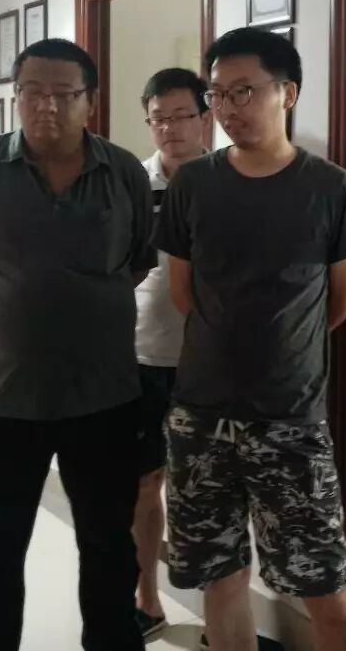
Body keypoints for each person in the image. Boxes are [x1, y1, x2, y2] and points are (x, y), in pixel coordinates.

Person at [0, 38, 155, 651]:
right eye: (32, 92)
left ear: (91, 101)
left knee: (107, 544)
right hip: (7, 399)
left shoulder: (125, 173)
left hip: (105, 396)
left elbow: (136, 263)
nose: (46, 106)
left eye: (63, 94)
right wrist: (7, 324)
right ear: (16, 96)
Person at [157, 27, 346, 651]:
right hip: (200, 415)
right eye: (218, 94)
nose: (227, 108)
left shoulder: (329, 186)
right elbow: (184, 293)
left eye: (244, 91)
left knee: (325, 586)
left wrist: (280, 348)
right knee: (220, 579)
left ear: (288, 93)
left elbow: (340, 302)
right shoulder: (193, 184)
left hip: (289, 420)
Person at [132, 67, 211, 639]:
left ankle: (219, 615)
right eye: (159, 118)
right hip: (140, 356)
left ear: (205, 117)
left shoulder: (229, 179)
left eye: (182, 115)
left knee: (209, 490)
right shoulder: (131, 183)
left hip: (210, 363)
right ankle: (147, 598)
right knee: (144, 484)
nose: (170, 128)